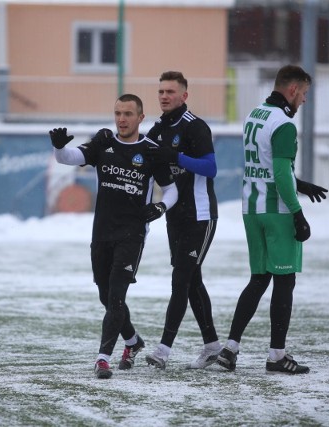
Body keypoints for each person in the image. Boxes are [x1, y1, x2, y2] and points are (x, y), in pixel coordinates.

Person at [49, 93, 177, 379]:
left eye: (128, 114)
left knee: (117, 296)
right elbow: (70, 158)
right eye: (118, 113)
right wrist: (59, 148)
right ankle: (133, 342)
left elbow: (172, 189)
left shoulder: (151, 151)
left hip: (132, 234)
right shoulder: (103, 143)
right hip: (102, 232)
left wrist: (160, 207)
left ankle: (102, 359)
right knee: (106, 297)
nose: (122, 119)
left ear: (141, 117)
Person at [216, 65, 327, 375]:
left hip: (251, 209)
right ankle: (277, 356)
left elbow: (264, 164)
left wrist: (299, 183)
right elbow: (279, 173)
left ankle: (230, 348)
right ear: (292, 90)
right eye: (303, 93)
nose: (304, 100)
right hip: (277, 211)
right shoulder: (284, 124)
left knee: (258, 279)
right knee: (285, 279)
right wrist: (298, 213)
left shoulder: (255, 115)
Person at [142, 71, 222, 370]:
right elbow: (140, 154)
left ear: (184, 96)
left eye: (171, 92)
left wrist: (175, 157)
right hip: (175, 214)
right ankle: (213, 345)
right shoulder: (158, 128)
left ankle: (163, 350)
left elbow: (210, 168)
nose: (164, 96)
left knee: (181, 279)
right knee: (191, 282)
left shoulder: (196, 127)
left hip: (200, 215)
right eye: (161, 91)